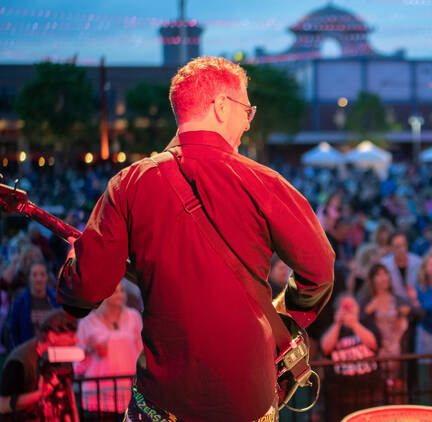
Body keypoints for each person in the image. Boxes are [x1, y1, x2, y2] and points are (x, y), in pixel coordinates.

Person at [57, 57, 335, 422]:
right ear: (221, 107)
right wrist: (286, 313)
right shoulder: (265, 183)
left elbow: (83, 292)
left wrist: (78, 257)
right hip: (249, 401)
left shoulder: (130, 185)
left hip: (165, 402)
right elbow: (319, 267)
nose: (249, 120)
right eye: (246, 108)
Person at [75, 281, 143, 420]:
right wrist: (90, 350)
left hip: (128, 393)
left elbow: (142, 353)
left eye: (122, 291)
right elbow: (77, 364)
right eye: (115, 291)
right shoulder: (88, 321)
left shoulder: (134, 317)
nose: (120, 295)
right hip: (99, 394)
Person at [0, 310, 78, 421]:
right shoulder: (20, 361)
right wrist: (40, 394)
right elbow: (3, 405)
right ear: (52, 336)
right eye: (70, 336)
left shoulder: (57, 355)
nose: (75, 340)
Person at [319, 293, 380, 422]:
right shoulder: (333, 328)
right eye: (345, 307)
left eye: (352, 306)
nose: (349, 310)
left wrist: (354, 324)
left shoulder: (367, 324)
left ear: (358, 308)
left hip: (369, 393)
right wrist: (337, 323)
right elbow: (325, 348)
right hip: (340, 397)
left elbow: (374, 345)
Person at [4, 261, 60, 349]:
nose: (39, 279)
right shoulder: (20, 302)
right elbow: (13, 331)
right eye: (34, 275)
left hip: (53, 352)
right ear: (29, 278)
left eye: (42, 274)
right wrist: (19, 352)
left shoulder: (56, 300)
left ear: (47, 277)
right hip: (28, 353)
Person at [380, 232, 421, 302]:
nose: (402, 249)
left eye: (404, 245)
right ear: (390, 248)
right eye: (397, 247)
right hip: (394, 303)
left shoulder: (418, 262)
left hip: (417, 302)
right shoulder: (384, 265)